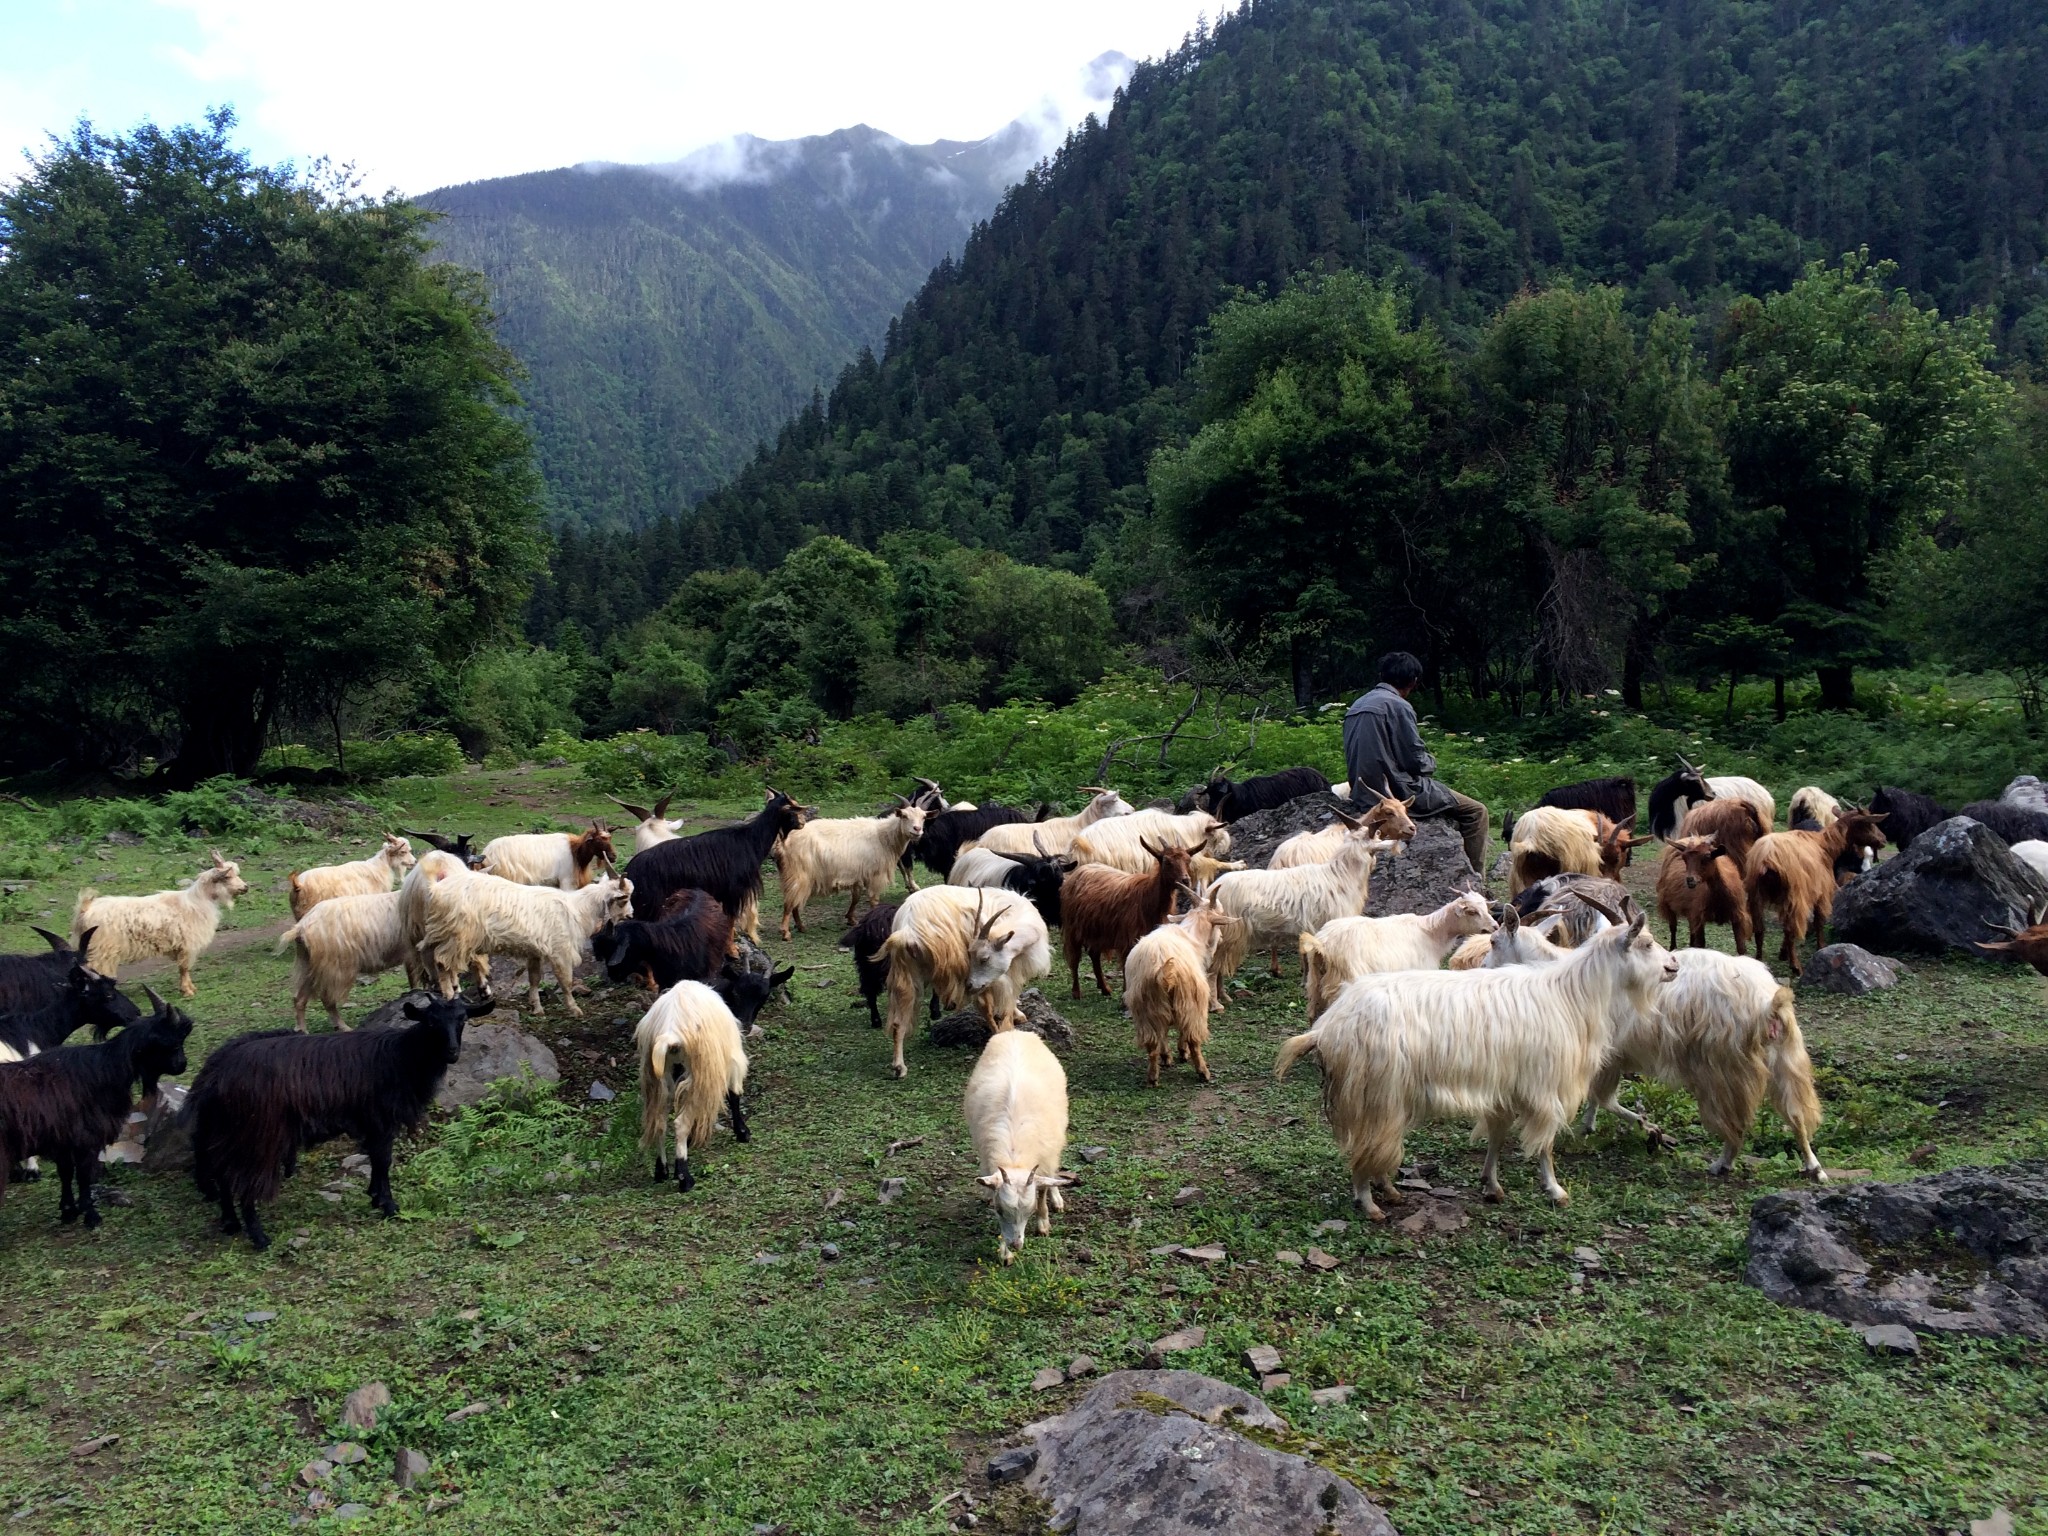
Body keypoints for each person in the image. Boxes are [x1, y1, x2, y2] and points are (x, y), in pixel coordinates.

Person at [1342, 651, 1490, 873]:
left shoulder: (1357, 705)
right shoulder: (1398, 706)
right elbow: (1415, 761)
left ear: (1382, 675)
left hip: (1363, 794)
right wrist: (1431, 761)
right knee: (1477, 812)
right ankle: (1476, 884)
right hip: (1399, 790)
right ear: (1413, 681)